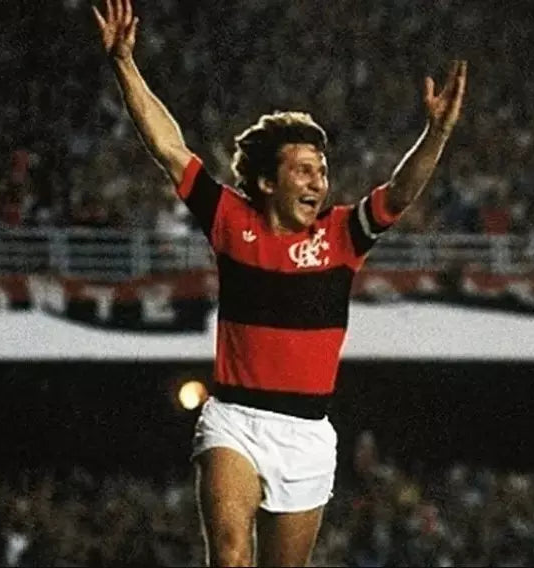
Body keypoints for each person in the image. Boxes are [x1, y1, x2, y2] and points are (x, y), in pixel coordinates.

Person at [92, 1, 466, 565]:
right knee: (231, 556)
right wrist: (124, 63)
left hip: (306, 434)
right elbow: (170, 148)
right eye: (303, 170)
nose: (318, 181)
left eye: (322, 171)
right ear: (268, 182)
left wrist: (436, 134)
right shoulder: (229, 220)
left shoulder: (342, 235)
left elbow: (401, 192)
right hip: (234, 421)